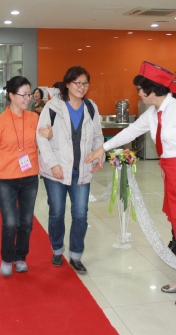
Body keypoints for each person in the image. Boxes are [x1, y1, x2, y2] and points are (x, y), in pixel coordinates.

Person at [86, 61, 176, 306]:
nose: (138, 94)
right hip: (172, 176)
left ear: (152, 90)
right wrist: (104, 148)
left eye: (140, 89)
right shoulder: (154, 113)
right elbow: (131, 131)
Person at [36, 66, 104, 274]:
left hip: (81, 171)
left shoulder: (91, 107)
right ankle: (57, 250)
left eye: (85, 83)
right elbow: (41, 136)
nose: (82, 87)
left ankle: (76, 255)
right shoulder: (53, 107)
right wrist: (53, 164)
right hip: (56, 172)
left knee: (80, 214)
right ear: (67, 84)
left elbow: (98, 137)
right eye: (77, 83)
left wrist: (99, 155)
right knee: (57, 213)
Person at [0, 76, 40, 277]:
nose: (27, 98)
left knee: (26, 222)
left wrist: (48, 136)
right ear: (12, 95)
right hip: (5, 180)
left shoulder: (34, 118)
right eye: (23, 95)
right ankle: (7, 258)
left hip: (30, 178)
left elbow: (42, 142)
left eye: (29, 94)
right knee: (10, 222)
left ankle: (20, 257)